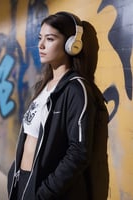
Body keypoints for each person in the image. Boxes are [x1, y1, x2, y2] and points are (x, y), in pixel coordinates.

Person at [7, 11, 109, 200]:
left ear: (72, 45)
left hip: (46, 191)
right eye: (40, 38)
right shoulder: (43, 86)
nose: (41, 45)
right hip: (24, 182)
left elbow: (79, 153)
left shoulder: (77, 90)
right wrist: (14, 174)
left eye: (50, 39)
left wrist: (46, 192)